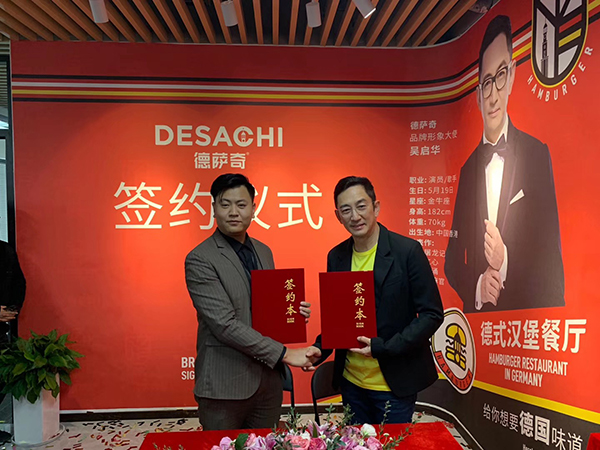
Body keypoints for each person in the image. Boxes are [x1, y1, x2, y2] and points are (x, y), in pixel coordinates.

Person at [444, 15, 565, 313]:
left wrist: (504, 261)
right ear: (477, 95)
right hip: (478, 326)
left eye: (500, 76)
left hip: (524, 325)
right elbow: (451, 261)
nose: (493, 95)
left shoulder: (537, 155)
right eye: (486, 82)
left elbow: (551, 259)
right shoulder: (467, 170)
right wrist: (478, 286)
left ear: (511, 76)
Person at [306, 176, 443, 425]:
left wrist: (384, 347)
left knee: (392, 442)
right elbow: (340, 318)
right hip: (351, 383)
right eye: (346, 210)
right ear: (338, 216)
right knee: (356, 442)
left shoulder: (407, 251)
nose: (355, 216)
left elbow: (431, 314)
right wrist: (319, 349)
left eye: (361, 206)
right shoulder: (336, 256)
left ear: (375, 207)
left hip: (394, 384)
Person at [185, 173, 315, 431]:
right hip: (225, 387)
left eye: (241, 205)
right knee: (222, 447)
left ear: (254, 209)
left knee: (266, 444)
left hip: (268, 382)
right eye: (225, 204)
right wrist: (286, 354)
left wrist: (291, 311)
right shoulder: (200, 258)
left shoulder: (264, 251)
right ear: (213, 208)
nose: (234, 212)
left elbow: (265, 309)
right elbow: (224, 324)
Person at [0, 240, 26, 443]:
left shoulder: (4, 250)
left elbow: (19, 283)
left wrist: (12, 309)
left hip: (1, 329)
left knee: (1, 378)